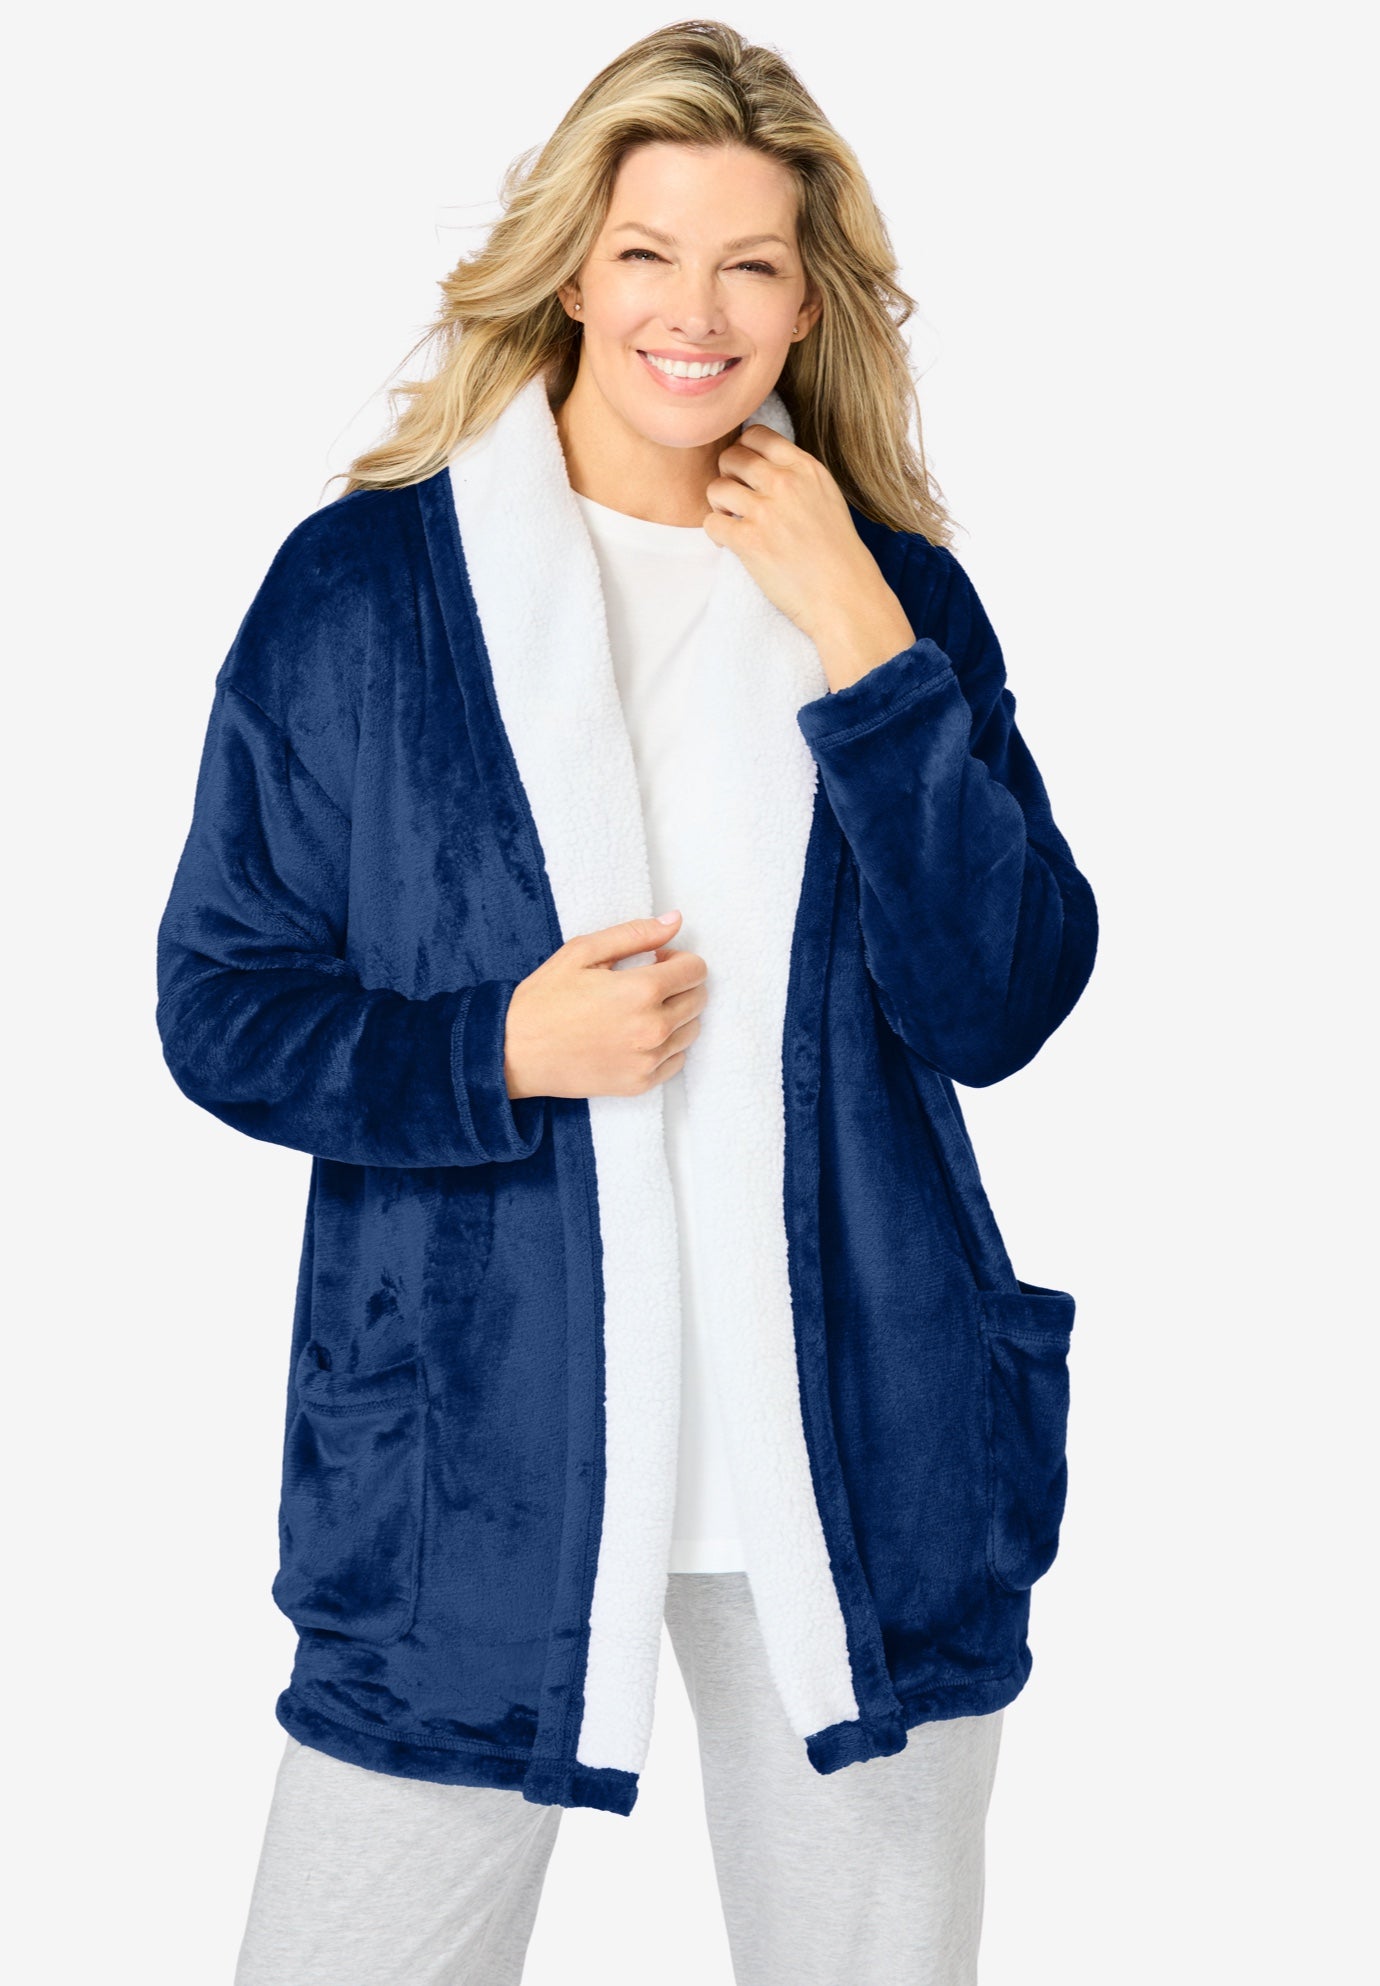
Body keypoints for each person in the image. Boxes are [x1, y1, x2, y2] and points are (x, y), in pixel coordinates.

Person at [155, 20, 1098, 1985]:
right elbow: (221, 997)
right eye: (650, 251)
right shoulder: (369, 589)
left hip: (858, 1447)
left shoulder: (894, 591)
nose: (698, 310)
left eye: (752, 262)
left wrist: (864, 641)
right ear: (574, 268)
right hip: (468, 1457)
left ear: (808, 299)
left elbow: (1000, 1001)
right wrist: (493, 1048)